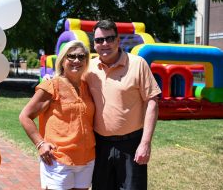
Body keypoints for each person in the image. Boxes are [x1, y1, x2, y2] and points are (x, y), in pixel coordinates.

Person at [86, 20, 162, 190]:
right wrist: (52, 79)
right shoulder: (89, 67)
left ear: (118, 41)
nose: (104, 44)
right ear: (94, 44)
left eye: (110, 38)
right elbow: (69, 80)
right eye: (99, 40)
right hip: (99, 145)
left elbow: (152, 102)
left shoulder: (137, 64)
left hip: (131, 145)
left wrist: (145, 143)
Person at [19, 40, 95, 190]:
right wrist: (40, 144)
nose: (76, 60)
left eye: (81, 57)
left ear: (86, 61)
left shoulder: (88, 86)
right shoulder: (51, 86)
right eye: (71, 56)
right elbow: (25, 116)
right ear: (62, 60)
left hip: (87, 159)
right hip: (58, 159)